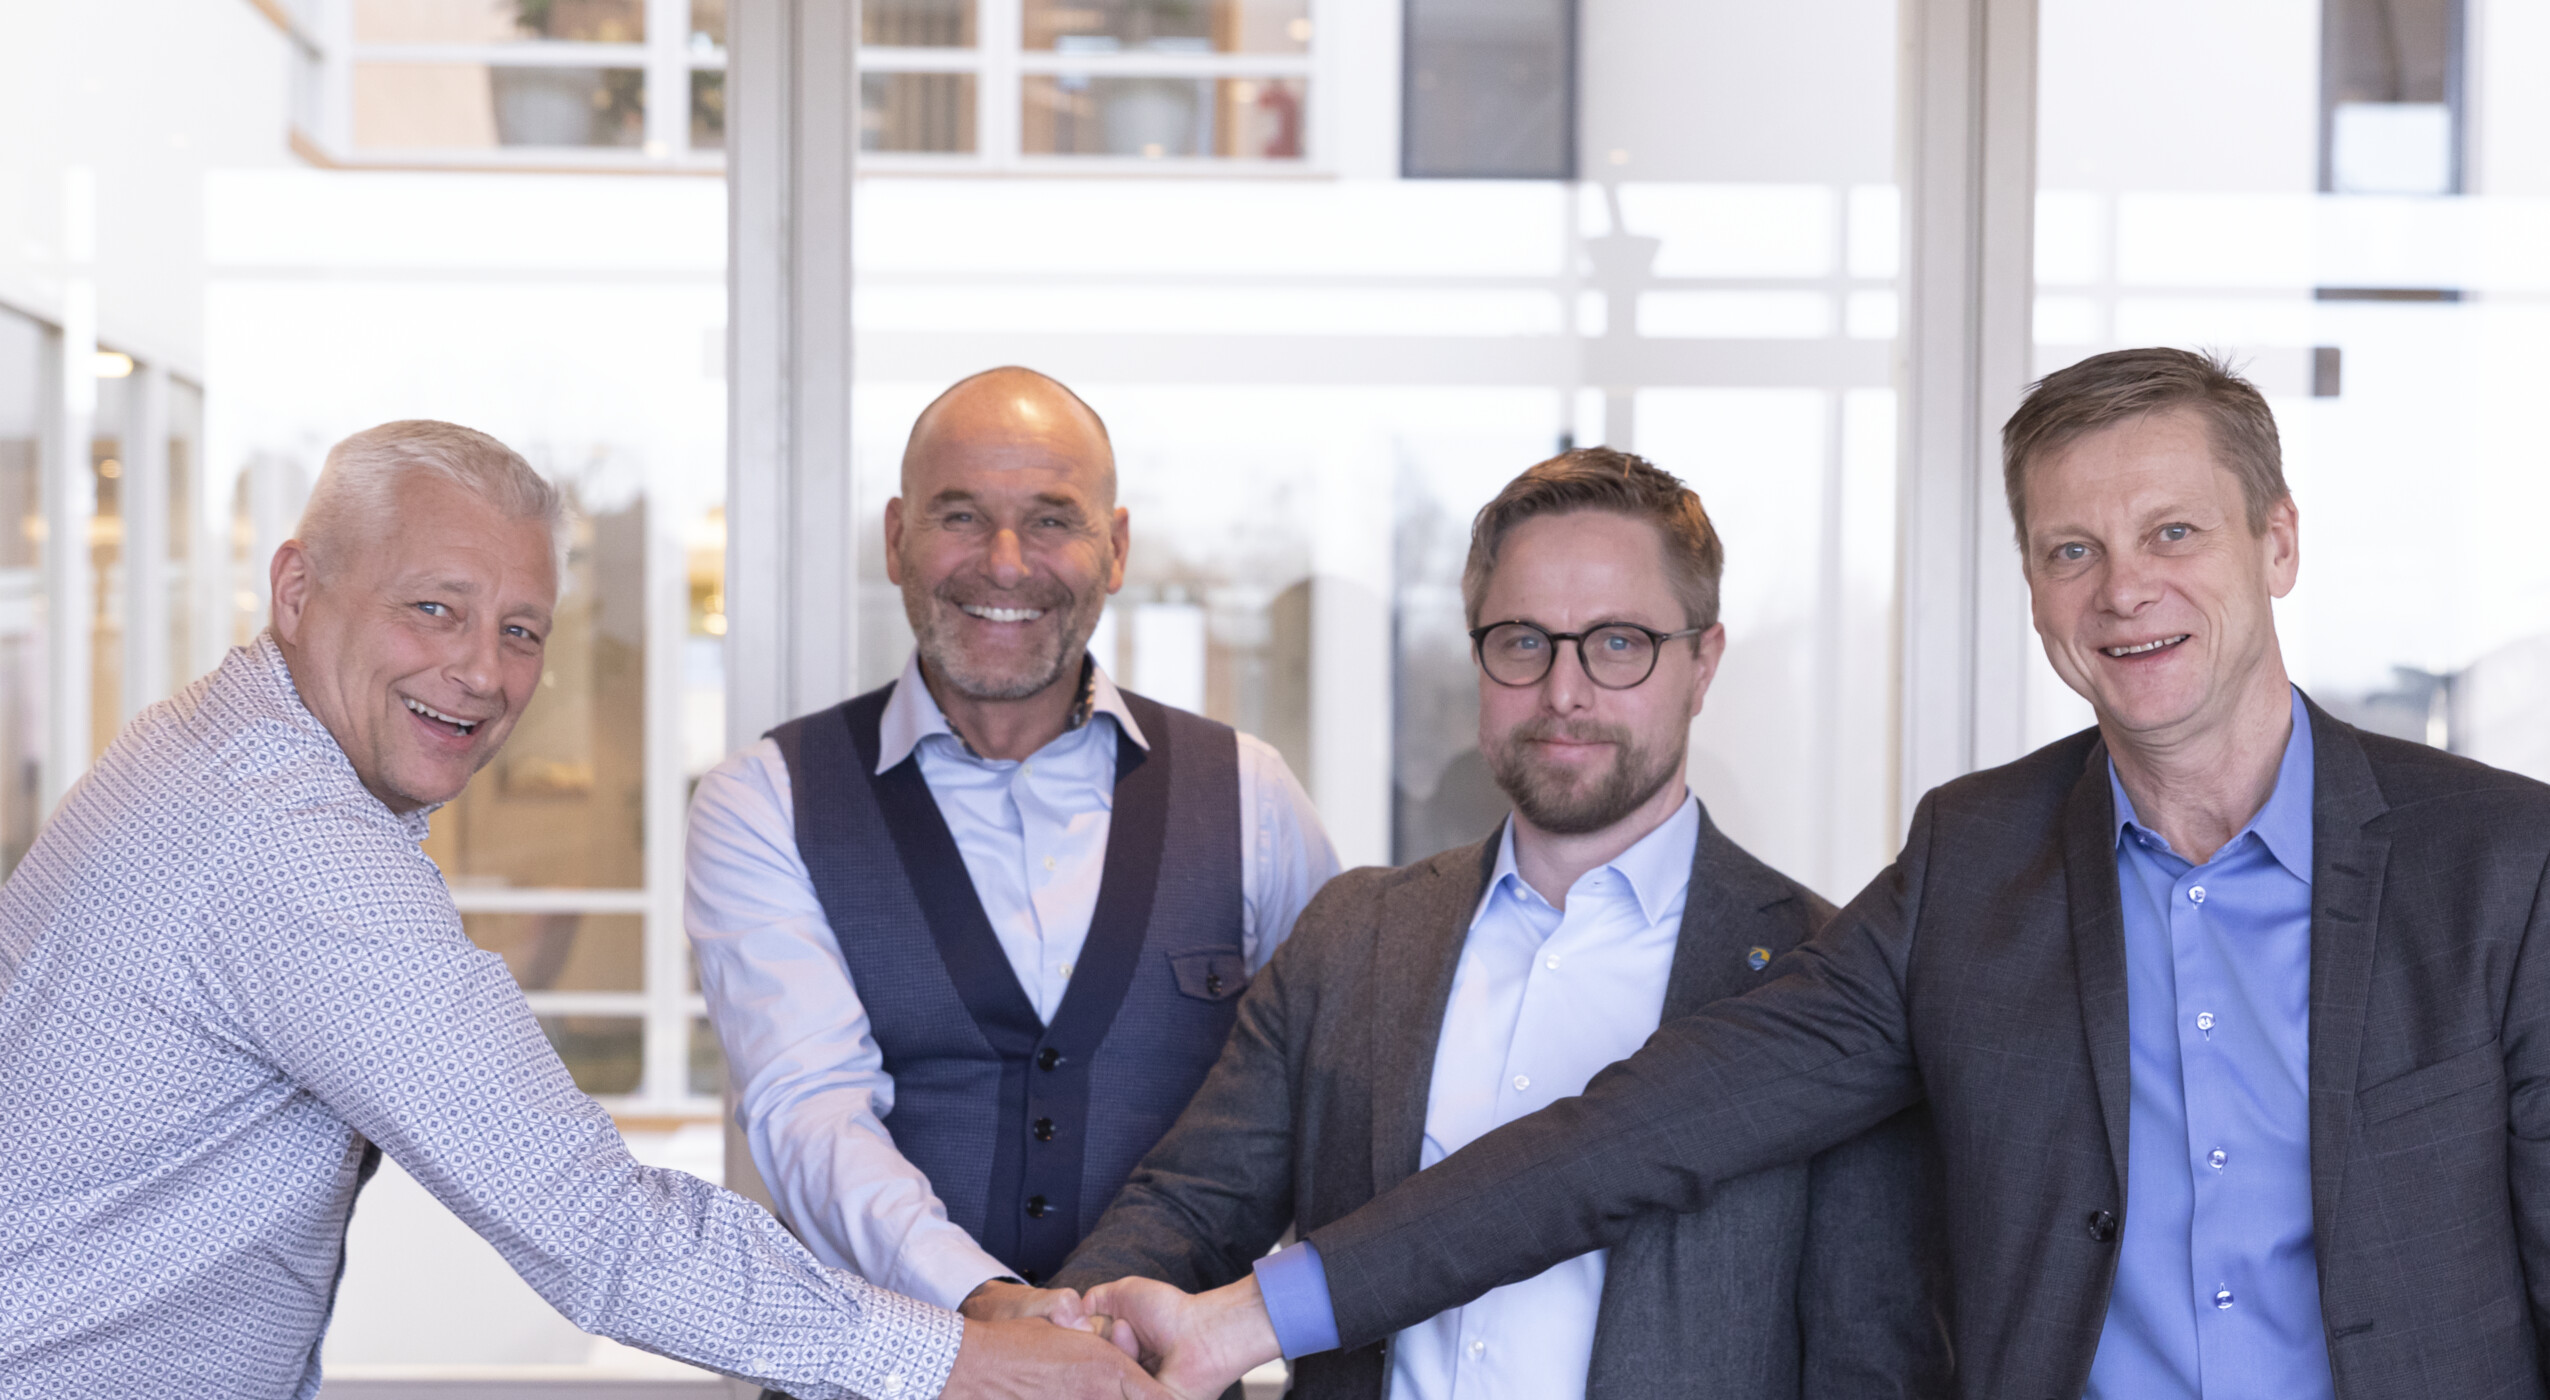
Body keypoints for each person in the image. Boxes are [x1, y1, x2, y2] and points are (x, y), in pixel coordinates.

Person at [1090, 347, 2550, 1400]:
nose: (2124, 588)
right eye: (2070, 548)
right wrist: (1250, 1318)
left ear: (2276, 542)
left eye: (2174, 532)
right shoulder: (1974, 863)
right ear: (2031, 585)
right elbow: (1631, 1133)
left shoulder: (2501, 863)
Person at [0, 421, 1165, 1400]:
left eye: (521, 629)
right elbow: (595, 1225)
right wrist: (966, 1362)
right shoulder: (291, 841)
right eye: (434, 607)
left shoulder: (213, 747)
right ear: (296, 589)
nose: (482, 671)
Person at [1045, 449, 1948, 1400]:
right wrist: (1060, 1333)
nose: (1563, 691)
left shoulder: (1824, 977)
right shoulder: (1354, 935)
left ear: (1703, 663)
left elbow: (1871, 1362)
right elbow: (1194, 1207)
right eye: (1523, 641)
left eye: (1618, 643)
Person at [685, 367, 1338, 1343]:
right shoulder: (765, 799)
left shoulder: (1253, 795)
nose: (1003, 563)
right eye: (960, 516)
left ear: (1115, 549)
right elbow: (809, 1109)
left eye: (1051, 520)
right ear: (896, 539)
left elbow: (1325, 1100)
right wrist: (984, 1305)